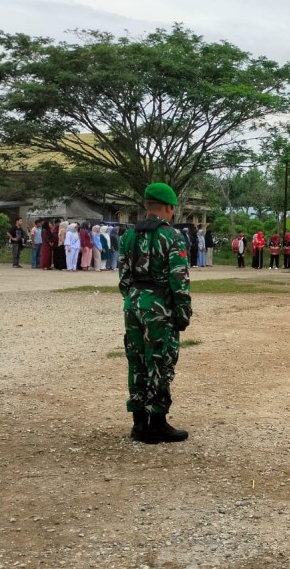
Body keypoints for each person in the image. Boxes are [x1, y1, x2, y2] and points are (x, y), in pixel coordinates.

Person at [118, 182, 192, 444]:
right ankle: (157, 424)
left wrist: (134, 300)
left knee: (137, 362)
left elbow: (123, 277)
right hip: (160, 308)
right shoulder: (172, 237)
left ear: (147, 206)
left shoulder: (128, 235)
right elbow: (179, 280)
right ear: (169, 208)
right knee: (159, 362)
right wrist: (183, 313)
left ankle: (139, 424)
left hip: (134, 304)